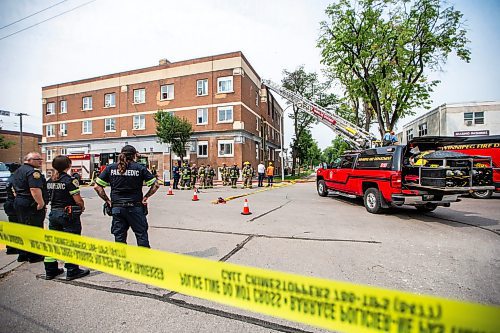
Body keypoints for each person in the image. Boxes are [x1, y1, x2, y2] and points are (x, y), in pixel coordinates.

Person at [94, 145, 160, 248]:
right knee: (141, 235)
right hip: (135, 207)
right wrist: (146, 197)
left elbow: (97, 186)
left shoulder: (110, 168)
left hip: (117, 208)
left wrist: (107, 200)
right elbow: (155, 185)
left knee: (119, 237)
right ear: (134, 155)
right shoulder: (140, 168)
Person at [45, 155, 89, 280]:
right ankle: (72, 270)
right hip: (67, 214)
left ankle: (50, 270)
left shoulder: (50, 180)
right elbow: (78, 199)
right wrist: (81, 207)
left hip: (53, 214)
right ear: (68, 166)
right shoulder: (70, 180)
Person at [12, 152, 48, 263]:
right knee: (35, 228)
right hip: (31, 204)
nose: (40, 161)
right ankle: (34, 255)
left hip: (20, 202)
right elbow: (34, 189)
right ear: (29, 160)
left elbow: (14, 188)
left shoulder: (18, 170)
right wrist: (41, 203)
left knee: (22, 228)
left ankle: (22, 254)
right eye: (38, 159)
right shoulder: (33, 172)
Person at [4, 163, 21, 255]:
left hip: (9, 203)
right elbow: (16, 194)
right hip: (14, 204)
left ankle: (11, 247)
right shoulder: (15, 180)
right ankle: (13, 247)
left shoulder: (9, 179)